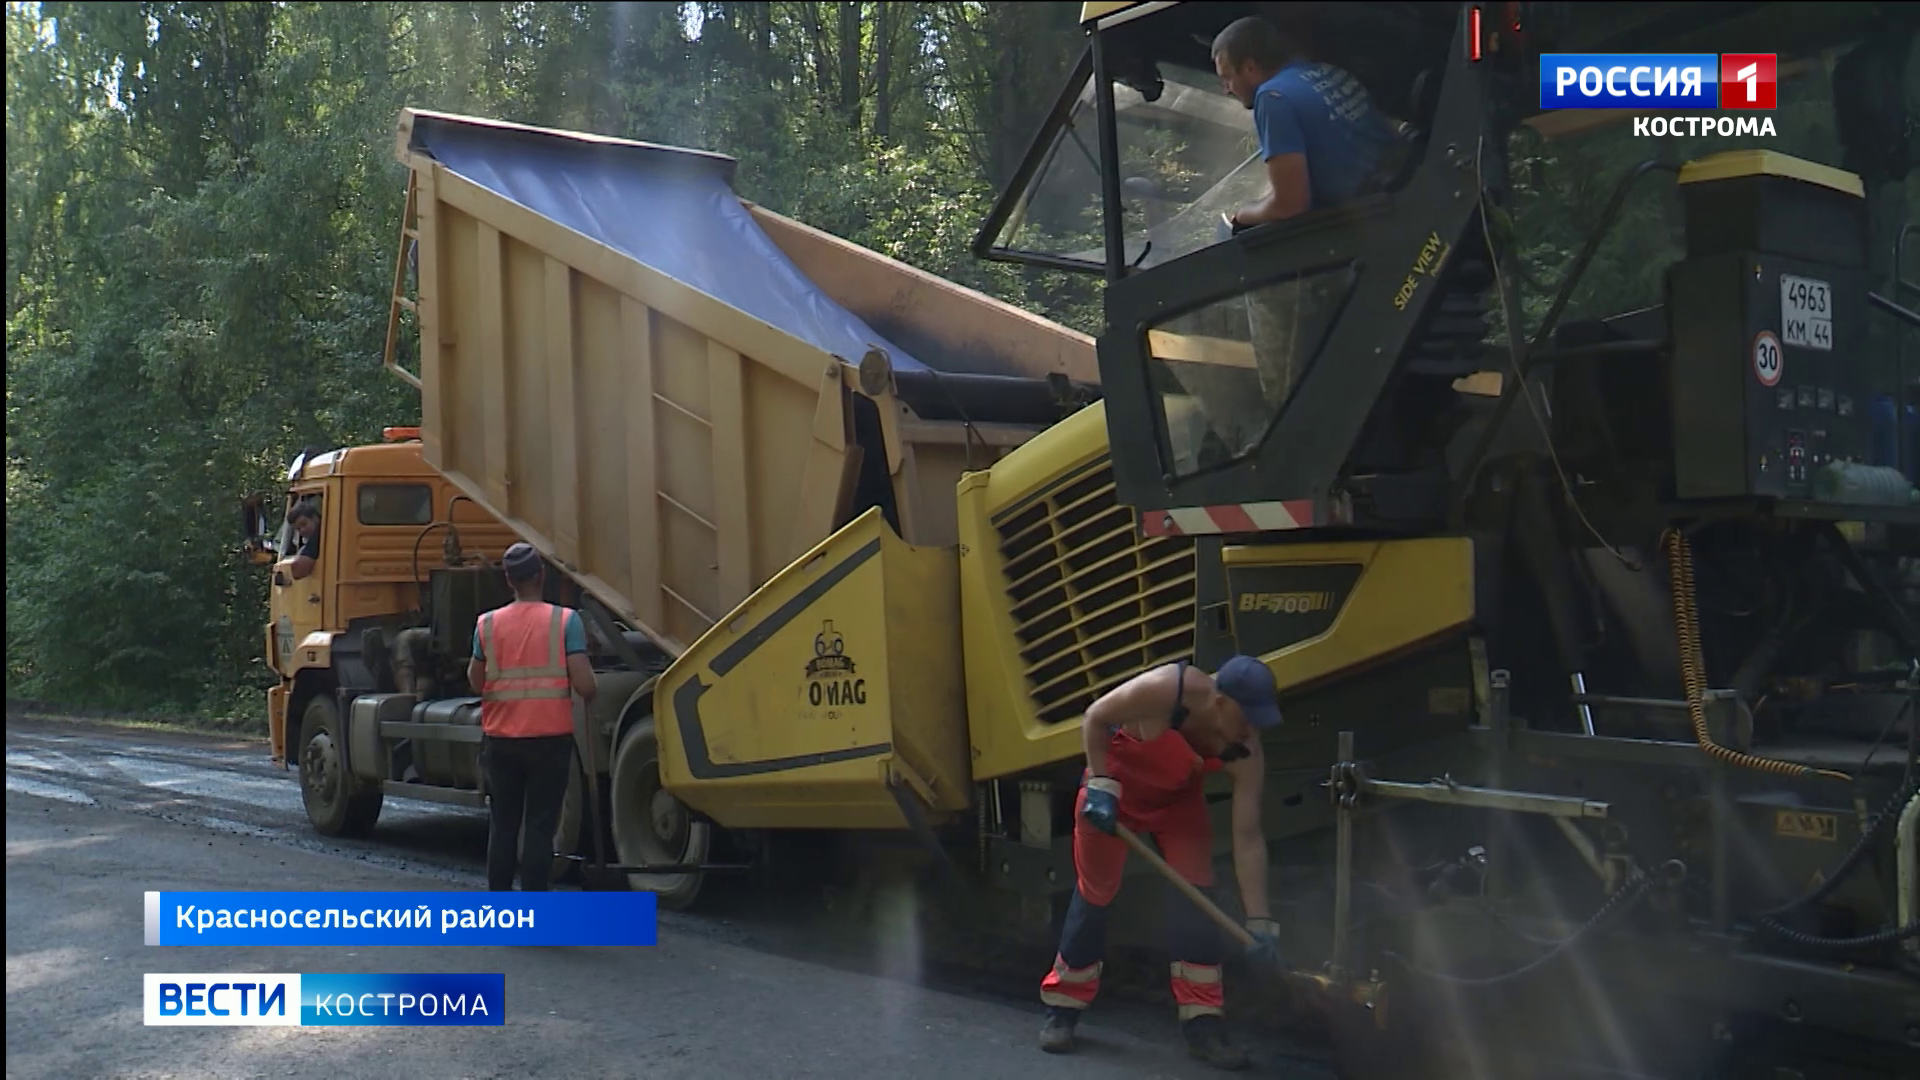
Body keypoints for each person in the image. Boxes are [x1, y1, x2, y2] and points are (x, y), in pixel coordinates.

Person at [1037, 654, 1285, 1071]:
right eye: (1247, 716)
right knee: (1096, 893)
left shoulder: (1244, 748)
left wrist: (1260, 922)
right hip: (1113, 797)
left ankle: (1203, 1025)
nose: (1251, 729)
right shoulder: (1166, 689)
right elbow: (1096, 716)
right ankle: (1062, 1009)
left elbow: (1248, 837)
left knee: (1197, 894)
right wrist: (1100, 785)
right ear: (1220, 702)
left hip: (1175, 805)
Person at [1210, 17, 1401, 413]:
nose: (1226, 88)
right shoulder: (1328, 75)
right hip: (1394, 218)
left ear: (1250, 67)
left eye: (1227, 77)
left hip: (1359, 244)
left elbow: (1290, 204)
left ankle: (1291, 411)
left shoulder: (1272, 98)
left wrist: (1241, 217)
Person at [466, 543, 597, 892]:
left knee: (504, 824)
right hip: (549, 741)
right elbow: (584, 684)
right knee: (540, 827)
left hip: (501, 740)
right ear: (541, 576)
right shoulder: (565, 621)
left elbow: (477, 680)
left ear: (509, 580)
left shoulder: (487, 624)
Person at [285, 501, 321, 581]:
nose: (302, 530)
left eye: (304, 524)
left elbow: (298, 571)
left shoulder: (319, 535)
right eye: (298, 529)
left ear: (315, 518)